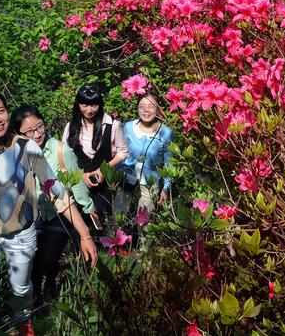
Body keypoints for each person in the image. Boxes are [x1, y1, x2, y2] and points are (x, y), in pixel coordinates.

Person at [0, 88, 97, 336]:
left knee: (21, 292)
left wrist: (84, 233)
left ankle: (24, 326)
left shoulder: (27, 148)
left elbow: (57, 193)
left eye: (1, 111)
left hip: (22, 233)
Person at [11, 104, 98, 304]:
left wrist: (88, 208)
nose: (37, 134)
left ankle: (50, 282)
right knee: (32, 262)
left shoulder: (61, 150)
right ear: (18, 133)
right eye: (30, 131)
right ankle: (36, 302)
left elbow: (76, 183)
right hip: (34, 214)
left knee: (48, 258)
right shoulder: (16, 155)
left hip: (60, 214)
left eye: (40, 127)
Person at [61, 83, 129, 228]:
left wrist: (104, 169)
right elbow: (64, 154)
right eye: (84, 105)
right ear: (78, 104)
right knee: (80, 222)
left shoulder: (112, 125)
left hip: (103, 183)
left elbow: (123, 151)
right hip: (78, 182)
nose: (89, 110)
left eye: (94, 105)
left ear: (100, 104)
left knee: (103, 219)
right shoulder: (71, 126)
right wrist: (80, 176)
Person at [118, 93, 174, 214]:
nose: (146, 110)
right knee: (118, 216)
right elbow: (120, 152)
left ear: (158, 109)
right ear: (137, 108)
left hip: (150, 183)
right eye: (142, 106)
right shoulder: (128, 127)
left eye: (151, 106)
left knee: (143, 222)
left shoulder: (166, 133)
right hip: (126, 178)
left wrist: (166, 188)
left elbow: (169, 163)